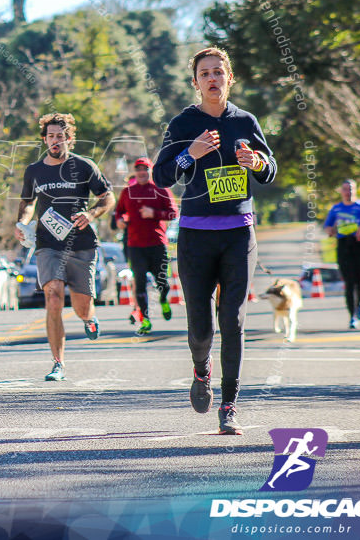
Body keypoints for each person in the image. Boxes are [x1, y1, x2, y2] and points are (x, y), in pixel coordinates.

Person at [154, 47, 276, 435]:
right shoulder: (183, 123)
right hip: (195, 235)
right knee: (201, 328)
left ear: (229, 78)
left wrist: (256, 162)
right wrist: (190, 154)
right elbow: (161, 177)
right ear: (195, 82)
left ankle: (230, 405)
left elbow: (268, 170)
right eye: (204, 73)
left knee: (233, 321)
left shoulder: (245, 121)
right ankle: (201, 367)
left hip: (239, 233)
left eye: (218, 72)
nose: (212, 78)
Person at [15, 113, 115, 382]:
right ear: (44, 139)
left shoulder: (84, 166)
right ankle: (58, 363)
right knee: (54, 296)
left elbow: (107, 197)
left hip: (82, 244)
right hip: (48, 244)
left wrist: (91, 214)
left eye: (60, 136)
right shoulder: (34, 171)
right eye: (51, 136)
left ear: (69, 138)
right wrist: (23, 223)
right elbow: (27, 203)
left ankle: (89, 319)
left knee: (82, 307)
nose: (55, 140)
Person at [114, 157, 178, 335]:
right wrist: (120, 220)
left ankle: (164, 300)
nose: (142, 172)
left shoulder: (160, 189)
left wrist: (154, 213)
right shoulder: (128, 192)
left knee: (162, 283)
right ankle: (146, 320)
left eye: (145, 169)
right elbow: (119, 212)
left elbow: (174, 213)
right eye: (138, 169)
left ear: (150, 171)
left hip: (157, 244)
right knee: (140, 284)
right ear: (135, 172)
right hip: (135, 246)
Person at [322, 180, 360, 329]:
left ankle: (358, 305)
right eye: (346, 189)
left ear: (355, 190)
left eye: (351, 189)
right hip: (344, 246)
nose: (349, 192)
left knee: (359, 281)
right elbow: (327, 227)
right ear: (341, 191)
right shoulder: (336, 209)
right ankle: (352, 316)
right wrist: (330, 230)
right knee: (349, 282)